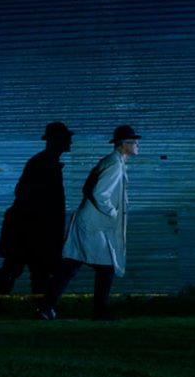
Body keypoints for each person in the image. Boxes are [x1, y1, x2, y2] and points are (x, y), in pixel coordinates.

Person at [38, 124, 140, 321]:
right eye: (134, 142)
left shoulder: (114, 162)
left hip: (91, 223)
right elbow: (99, 193)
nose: (138, 145)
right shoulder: (115, 165)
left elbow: (88, 188)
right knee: (105, 267)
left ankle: (46, 306)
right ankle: (99, 311)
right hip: (94, 225)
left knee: (72, 265)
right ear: (122, 144)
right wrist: (113, 214)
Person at [0, 121, 74, 296]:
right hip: (33, 231)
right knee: (30, 269)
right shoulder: (44, 164)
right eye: (66, 138)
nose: (70, 142)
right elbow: (29, 196)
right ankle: (34, 306)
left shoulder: (45, 162)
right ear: (56, 140)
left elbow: (24, 192)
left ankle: (2, 304)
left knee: (26, 269)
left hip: (30, 230)